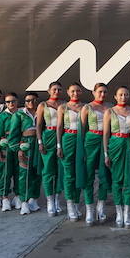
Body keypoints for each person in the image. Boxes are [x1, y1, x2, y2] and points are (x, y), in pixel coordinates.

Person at [103, 86, 130, 228]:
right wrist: (106, 153)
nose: (123, 97)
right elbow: (106, 133)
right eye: (121, 94)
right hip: (115, 145)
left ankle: (127, 211)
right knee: (116, 180)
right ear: (115, 97)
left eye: (126, 94)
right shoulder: (109, 111)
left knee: (129, 180)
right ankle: (119, 211)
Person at [79, 83, 112, 225]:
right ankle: (89, 209)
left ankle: (101, 207)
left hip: (107, 140)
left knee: (105, 173)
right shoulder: (87, 107)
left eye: (105, 92)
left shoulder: (110, 107)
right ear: (93, 92)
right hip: (91, 140)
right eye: (100, 92)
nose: (102, 94)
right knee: (89, 175)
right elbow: (82, 129)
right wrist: (82, 149)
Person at [8, 92, 42, 215]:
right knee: (24, 173)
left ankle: (34, 199)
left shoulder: (41, 112)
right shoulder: (19, 115)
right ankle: (24, 201)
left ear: (37, 100)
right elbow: (14, 133)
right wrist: (19, 149)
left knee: (37, 172)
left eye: (33, 100)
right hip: (25, 144)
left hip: (38, 144)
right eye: (27, 100)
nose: (30, 102)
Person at [57, 83, 85, 221]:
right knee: (68, 173)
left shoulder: (85, 107)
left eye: (78, 91)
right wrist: (59, 146)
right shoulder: (63, 107)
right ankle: (69, 204)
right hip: (67, 138)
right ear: (68, 92)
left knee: (79, 171)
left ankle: (76, 203)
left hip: (81, 140)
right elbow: (59, 127)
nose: (75, 93)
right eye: (73, 91)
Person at [37, 82, 64, 217]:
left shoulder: (65, 104)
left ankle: (57, 199)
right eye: (54, 89)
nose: (56, 92)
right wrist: (40, 142)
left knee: (61, 169)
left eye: (59, 89)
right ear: (49, 90)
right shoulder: (43, 105)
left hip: (63, 137)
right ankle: (49, 200)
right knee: (48, 170)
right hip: (48, 136)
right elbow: (38, 125)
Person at [0, 92, 21, 211]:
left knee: (19, 172)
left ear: (17, 101)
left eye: (13, 101)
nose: (11, 103)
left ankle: (18, 196)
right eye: (8, 102)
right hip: (5, 146)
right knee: (5, 172)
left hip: (19, 145)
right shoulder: (2, 116)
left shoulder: (22, 114)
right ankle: (5, 198)